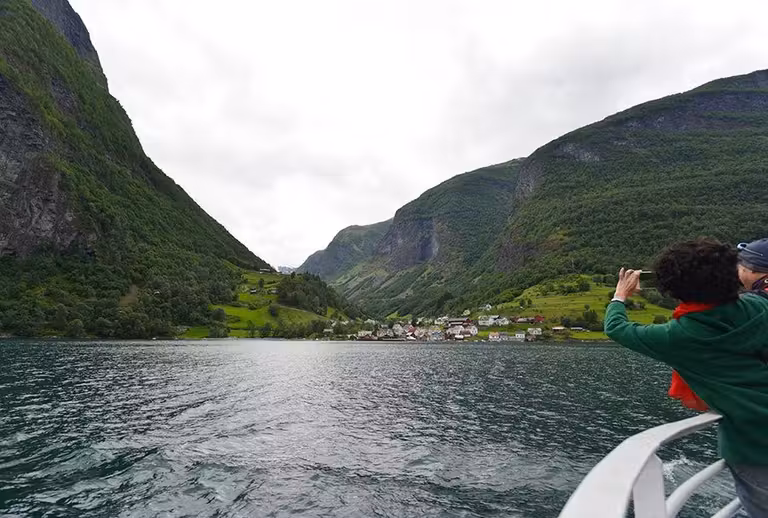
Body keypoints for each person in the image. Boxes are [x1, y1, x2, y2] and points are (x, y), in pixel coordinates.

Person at [604, 238, 768, 518]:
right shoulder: (758, 308)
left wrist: (620, 295)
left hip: (753, 443)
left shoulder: (677, 336)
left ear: (671, 288)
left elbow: (616, 327)